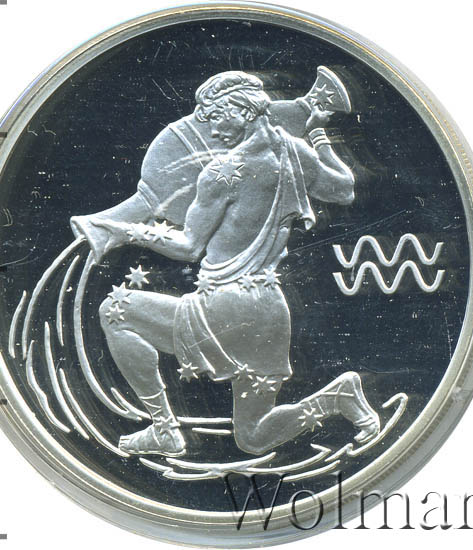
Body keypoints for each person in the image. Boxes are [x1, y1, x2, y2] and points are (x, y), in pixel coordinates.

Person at [88, 71, 380, 457]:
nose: (211, 127)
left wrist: (128, 231)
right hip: (269, 311)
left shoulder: (222, 172)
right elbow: (343, 188)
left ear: (241, 111)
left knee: (116, 310)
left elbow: (189, 246)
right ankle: (337, 398)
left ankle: (163, 428)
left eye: (215, 116)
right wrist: (319, 136)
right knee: (253, 437)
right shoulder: (296, 153)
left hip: (224, 304)